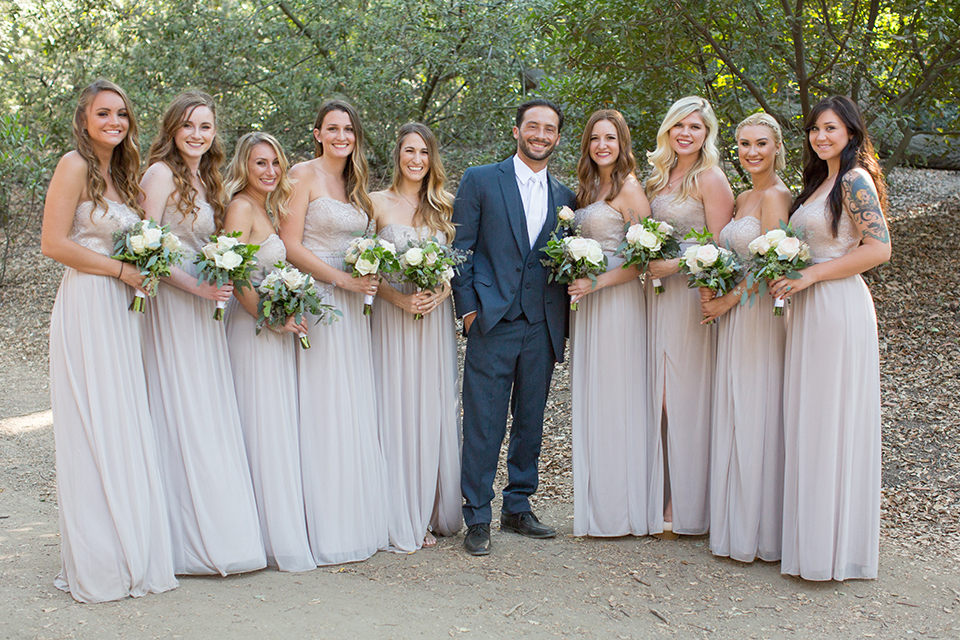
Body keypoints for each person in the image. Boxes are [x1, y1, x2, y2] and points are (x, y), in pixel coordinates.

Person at [41, 79, 177, 602]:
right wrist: (122, 271)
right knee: (94, 424)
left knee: (122, 421)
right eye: (104, 114)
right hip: (90, 304)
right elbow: (54, 243)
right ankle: (99, 559)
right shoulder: (74, 165)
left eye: (121, 113)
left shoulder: (121, 175)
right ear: (84, 119)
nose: (114, 122)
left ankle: (129, 547)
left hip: (124, 312)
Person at [140, 91, 266, 576]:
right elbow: (144, 248)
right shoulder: (158, 175)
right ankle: (182, 537)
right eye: (189, 125)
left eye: (206, 126)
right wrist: (195, 287)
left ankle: (218, 530)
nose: (197, 134)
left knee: (208, 409)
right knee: (181, 407)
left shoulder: (207, 178)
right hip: (173, 307)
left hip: (207, 307)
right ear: (172, 129)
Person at [769, 96, 890, 581]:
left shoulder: (855, 181)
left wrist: (812, 277)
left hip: (837, 306)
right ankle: (808, 540)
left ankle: (831, 549)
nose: (820, 137)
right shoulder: (820, 183)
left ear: (851, 132)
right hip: (809, 306)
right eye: (815, 129)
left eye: (831, 129)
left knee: (830, 418)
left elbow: (879, 249)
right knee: (809, 418)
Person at [452, 98, 577, 555]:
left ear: (558, 137)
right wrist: (468, 312)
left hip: (541, 324)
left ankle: (518, 506)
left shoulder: (566, 197)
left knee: (530, 420)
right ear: (517, 130)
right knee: (483, 421)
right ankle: (478, 516)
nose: (540, 135)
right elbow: (460, 250)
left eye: (549, 129)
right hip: (492, 320)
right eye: (533, 127)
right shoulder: (481, 179)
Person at [280, 98, 388, 564]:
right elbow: (287, 243)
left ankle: (354, 514)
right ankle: (319, 523)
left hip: (355, 304)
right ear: (318, 133)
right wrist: (341, 279)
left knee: (351, 401)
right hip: (319, 298)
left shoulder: (357, 185)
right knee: (321, 402)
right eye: (333, 128)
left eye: (349, 129)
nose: (342, 136)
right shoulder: (301, 175)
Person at [222, 132, 316, 571]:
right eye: (261, 163)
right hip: (252, 331)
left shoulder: (266, 208)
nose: (270, 171)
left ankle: (271, 528)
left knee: (273, 423)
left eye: (276, 163)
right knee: (258, 424)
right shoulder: (241, 207)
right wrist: (270, 317)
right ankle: (260, 534)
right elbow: (236, 275)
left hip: (272, 331)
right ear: (245, 165)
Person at [701, 113, 792, 562]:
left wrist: (726, 301)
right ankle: (734, 521)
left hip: (756, 316)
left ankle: (758, 532)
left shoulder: (777, 196)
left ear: (776, 146)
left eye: (760, 144)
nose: (751, 152)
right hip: (736, 314)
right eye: (743, 144)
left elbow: (771, 265)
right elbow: (736, 255)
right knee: (735, 408)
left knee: (755, 409)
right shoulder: (742, 196)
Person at [370, 122, 463, 552]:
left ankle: (425, 507)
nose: (417, 159)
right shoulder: (375, 204)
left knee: (429, 408)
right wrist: (398, 300)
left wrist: (443, 289)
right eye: (410, 150)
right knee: (395, 406)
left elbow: (452, 269)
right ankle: (398, 512)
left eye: (424, 152)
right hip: (392, 319)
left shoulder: (441, 209)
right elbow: (364, 270)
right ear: (398, 155)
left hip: (433, 324)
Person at [644, 96, 734, 537]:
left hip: (688, 296)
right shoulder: (658, 176)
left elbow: (721, 247)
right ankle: (657, 491)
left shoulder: (710, 179)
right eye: (679, 125)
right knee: (656, 399)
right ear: (668, 130)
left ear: (707, 134)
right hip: (654, 298)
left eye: (695, 127)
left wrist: (673, 265)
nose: (686, 133)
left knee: (681, 398)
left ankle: (686, 502)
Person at [567, 110, 655, 537]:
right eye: (595, 138)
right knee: (595, 395)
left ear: (622, 143)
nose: (602, 145)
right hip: (587, 305)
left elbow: (643, 262)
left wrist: (595, 283)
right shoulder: (587, 190)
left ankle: (621, 510)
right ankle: (597, 503)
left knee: (617, 397)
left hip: (617, 303)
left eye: (610, 138)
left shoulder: (631, 191)